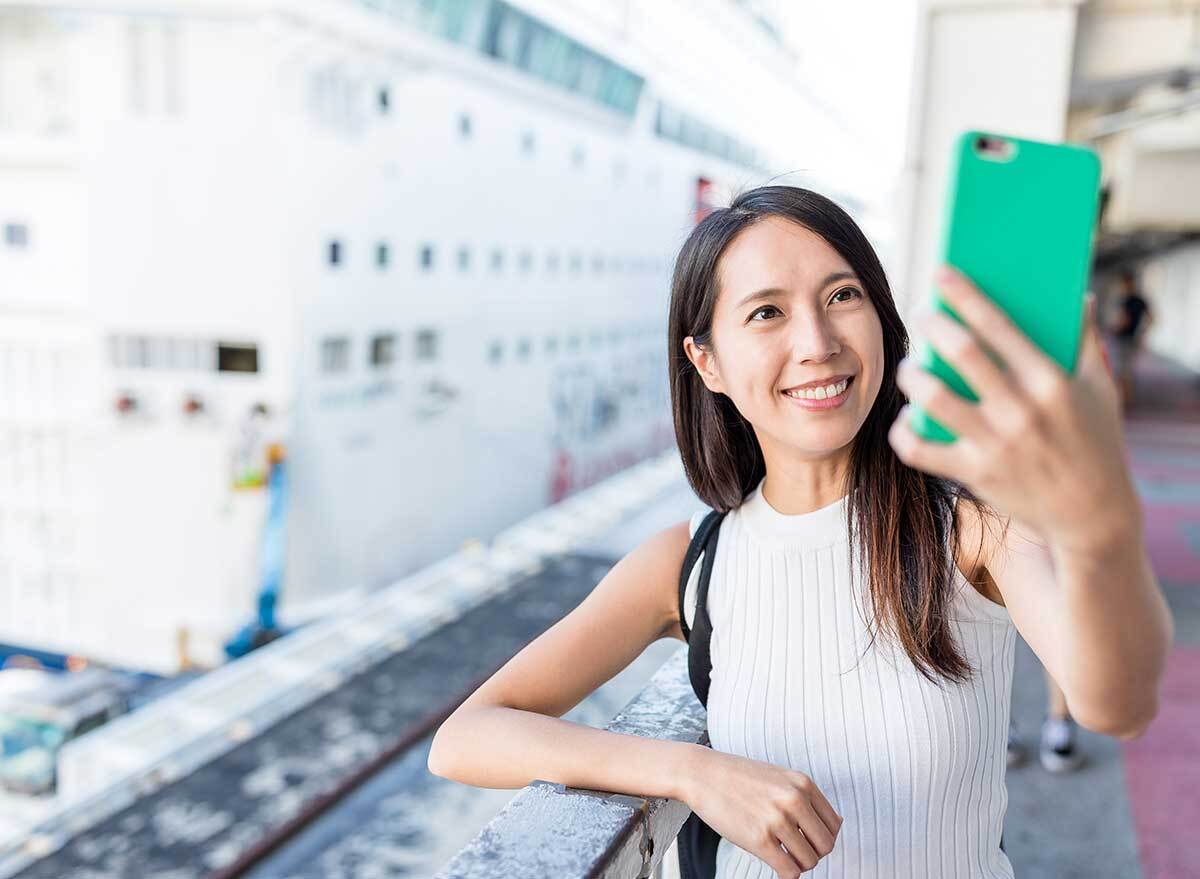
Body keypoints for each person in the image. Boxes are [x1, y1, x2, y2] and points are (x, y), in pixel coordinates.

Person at [427, 186, 1173, 877]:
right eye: (767, 312)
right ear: (706, 361)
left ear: (883, 320)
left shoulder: (971, 530)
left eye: (842, 296)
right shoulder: (688, 560)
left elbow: (1118, 702)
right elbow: (466, 736)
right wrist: (692, 771)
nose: (817, 342)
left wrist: (1101, 519)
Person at [1110, 268, 1153, 409]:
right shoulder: (1141, 300)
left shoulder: (1126, 300)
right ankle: (1128, 400)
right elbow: (1151, 318)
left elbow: (1124, 320)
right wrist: (1142, 334)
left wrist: (1114, 329)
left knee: (1121, 371)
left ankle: (1123, 402)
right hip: (1133, 338)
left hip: (1123, 338)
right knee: (1128, 370)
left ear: (1126, 284)